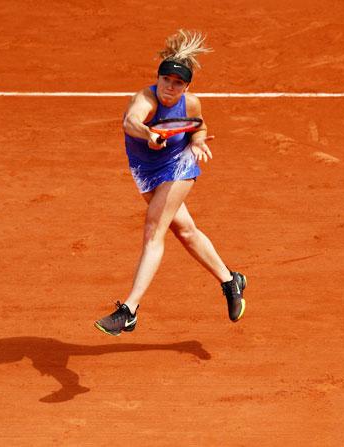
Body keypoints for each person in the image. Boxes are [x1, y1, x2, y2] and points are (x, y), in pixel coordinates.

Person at [95, 30, 247, 336]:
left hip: (179, 165)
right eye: (166, 80)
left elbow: (198, 125)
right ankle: (231, 281)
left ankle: (129, 310)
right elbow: (130, 121)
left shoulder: (190, 103)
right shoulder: (145, 98)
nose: (170, 87)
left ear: (187, 86)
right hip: (146, 170)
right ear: (158, 78)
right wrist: (148, 134)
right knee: (186, 232)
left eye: (178, 84)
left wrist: (198, 142)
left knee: (154, 230)